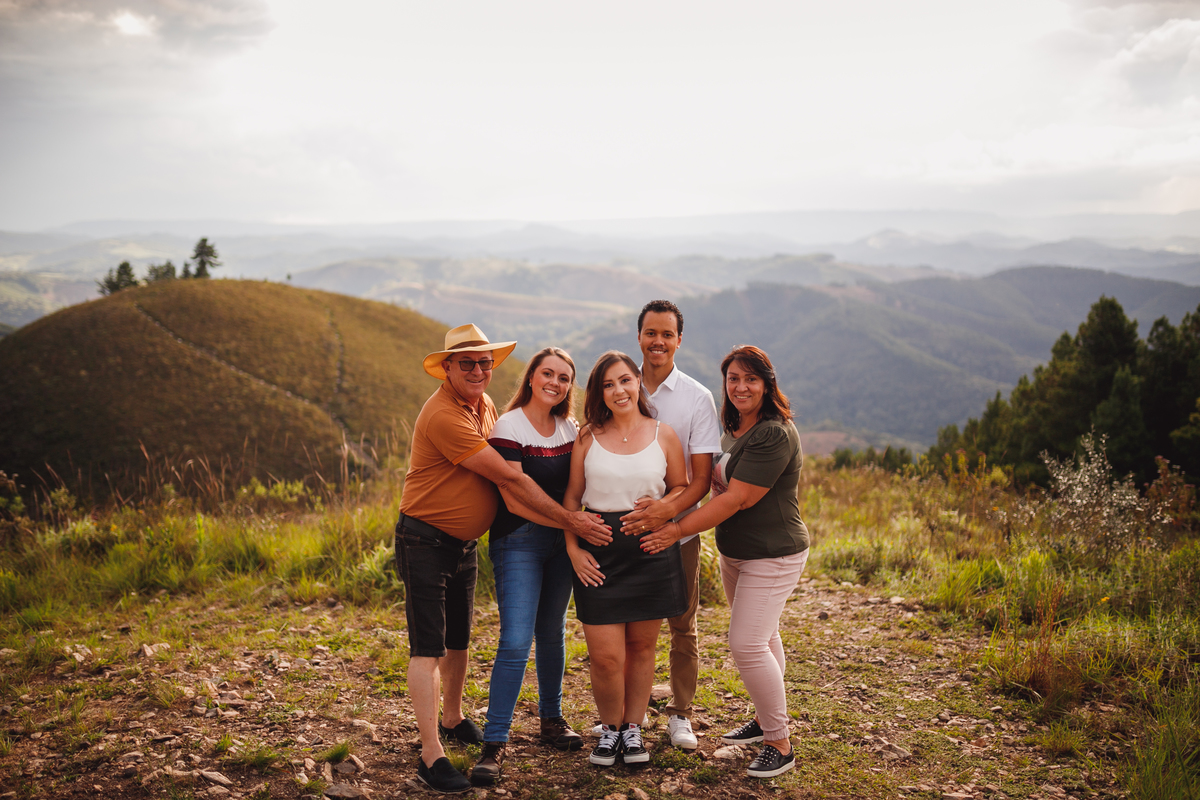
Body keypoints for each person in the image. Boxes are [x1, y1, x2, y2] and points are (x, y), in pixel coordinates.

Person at [395, 324, 611, 794]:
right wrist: (574, 524)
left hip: (464, 543)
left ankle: (454, 718)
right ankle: (431, 755)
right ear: (447, 367)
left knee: (459, 639)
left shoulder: (485, 406)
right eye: (467, 362)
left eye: (484, 362)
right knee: (428, 647)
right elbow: (511, 484)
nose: (477, 370)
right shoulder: (445, 415)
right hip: (425, 539)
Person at [640, 345, 809, 779]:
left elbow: (737, 497)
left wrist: (676, 528)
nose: (740, 386)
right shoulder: (736, 425)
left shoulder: (773, 433)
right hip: (739, 553)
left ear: (767, 383)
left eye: (750, 379)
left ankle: (779, 742)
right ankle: (765, 718)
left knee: (746, 643)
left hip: (773, 554)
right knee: (764, 637)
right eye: (733, 378)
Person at [563, 351, 690, 767]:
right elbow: (571, 499)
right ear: (600, 392)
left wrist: (664, 508)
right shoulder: (586, 437)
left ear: (639, 383)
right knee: (604, 655)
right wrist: (573, 549)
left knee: (641, 647)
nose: (619, 390)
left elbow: (681, 488)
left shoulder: (664, 434)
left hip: (650, 552)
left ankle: (633, 730)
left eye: (625, 381)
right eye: (608, 384)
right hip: (599, 557)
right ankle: (610, 728)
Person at [470, 347, 585, 786]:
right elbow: (513, 494)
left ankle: (552, 721)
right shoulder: (509, 425)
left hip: (561, 543)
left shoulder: (569, 428)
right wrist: (568, 520)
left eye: (564, 377)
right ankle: (494, 743)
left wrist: (571, 528)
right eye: (547, 374)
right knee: (516, 640)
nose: (555, 383)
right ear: (532, 377)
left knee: (552, 632)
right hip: (518, 541)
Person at [618, 300, 721, 751]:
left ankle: (681, 713)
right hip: (622, 530)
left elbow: (700, 479)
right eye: (650, 333)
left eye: (667, 334)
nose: (657, 341)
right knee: (625, 628)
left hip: (678, 531)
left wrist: (665, 515)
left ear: (679, 340)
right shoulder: (620, 387)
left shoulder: (697, 398)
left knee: (682, 624)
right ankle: (623, 717)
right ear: (638, 337)